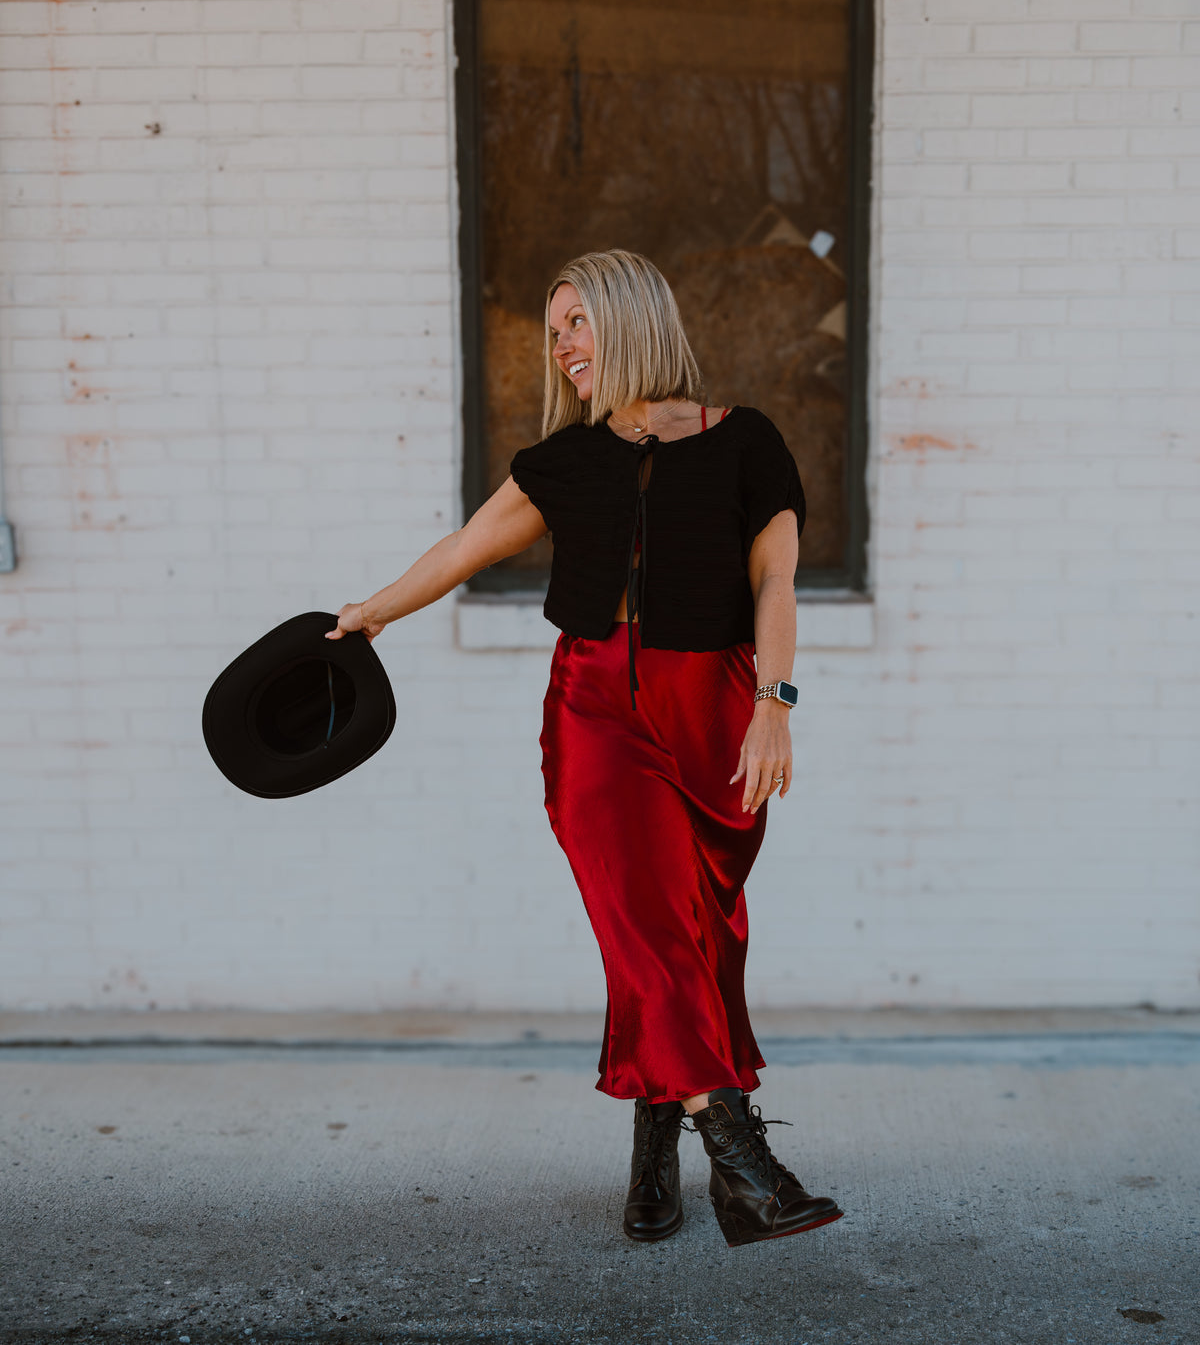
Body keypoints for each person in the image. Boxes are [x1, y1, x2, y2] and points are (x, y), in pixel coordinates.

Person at [327, 249, 843, 1248]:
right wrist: (372, 612)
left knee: (701, 939)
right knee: (647, 927)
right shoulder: (564, 463)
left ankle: (656, 1162)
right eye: (551, 325)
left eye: (577, 320)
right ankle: (746, 1173)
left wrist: (775, 702)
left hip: (719, 710)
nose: (560, 341)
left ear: (633, 318)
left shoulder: (749, 444)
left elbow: (776, 581)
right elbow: (460, 551)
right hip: (596, 712)